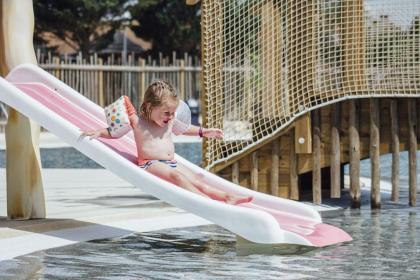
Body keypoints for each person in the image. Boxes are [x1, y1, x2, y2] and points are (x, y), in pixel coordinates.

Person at [82, 80, 252, 205]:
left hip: (171, 162)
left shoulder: (170, 121)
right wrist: (100, 132)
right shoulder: (137, 122)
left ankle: (226, 197)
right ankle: (208, 202)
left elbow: (183, 129)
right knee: (177, 177)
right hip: (150, 164)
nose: (170, 116)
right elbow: (115, 132)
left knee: (197, 180)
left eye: (172, 112)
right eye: (166, 112)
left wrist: (203, 131)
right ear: (149, 107)